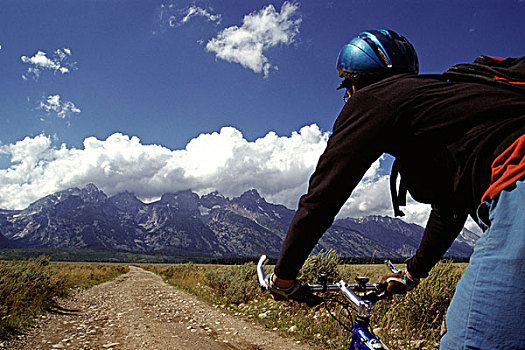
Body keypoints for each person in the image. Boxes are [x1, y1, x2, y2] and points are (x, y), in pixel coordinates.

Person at [265, 29, 525, 349]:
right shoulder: (448, 106)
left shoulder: (374, 98)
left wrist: (284, 277)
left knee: (469, 340)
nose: (347, 98)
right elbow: (449, 209)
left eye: (346, 89)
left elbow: (323, 197)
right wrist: (411, 275)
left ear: (354, 83)